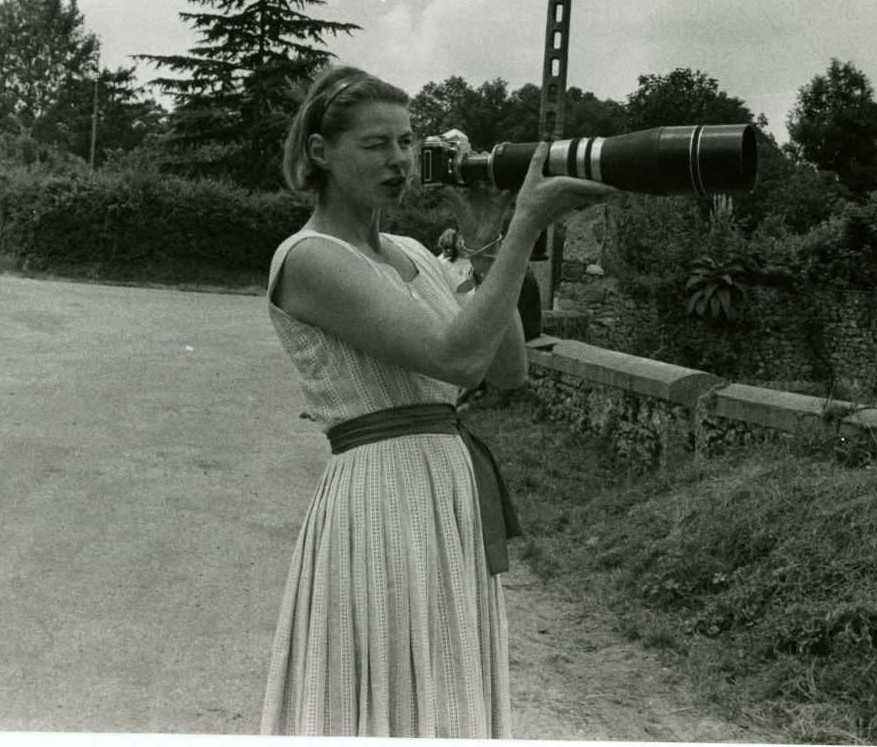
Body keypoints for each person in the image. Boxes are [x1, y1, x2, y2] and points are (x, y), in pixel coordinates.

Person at [259, 64, 614, 738]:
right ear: (320, 152)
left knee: (442, 684)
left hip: (447, 487)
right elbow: (456, 358)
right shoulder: (307, 258)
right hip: (381, 494)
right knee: (387, 686)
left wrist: (486, 242)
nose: (398, 159)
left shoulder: (415, 254)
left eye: (406, 141)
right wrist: (525, 227)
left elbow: (507, 369)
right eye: (376, 144)